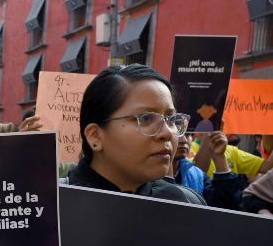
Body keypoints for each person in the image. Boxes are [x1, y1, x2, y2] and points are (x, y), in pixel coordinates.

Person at [70, 64, 205, 205]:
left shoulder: (184, 205)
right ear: (95, 136)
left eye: (171, 119)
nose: (167, 133)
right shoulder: (53, 210)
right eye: (146, 118)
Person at [172, 130, 243, 209]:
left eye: (188, 134)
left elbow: (226, 208)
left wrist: (219, 157)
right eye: (176, 133)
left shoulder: (197, 175)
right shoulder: (155, 174)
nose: (184, 140)